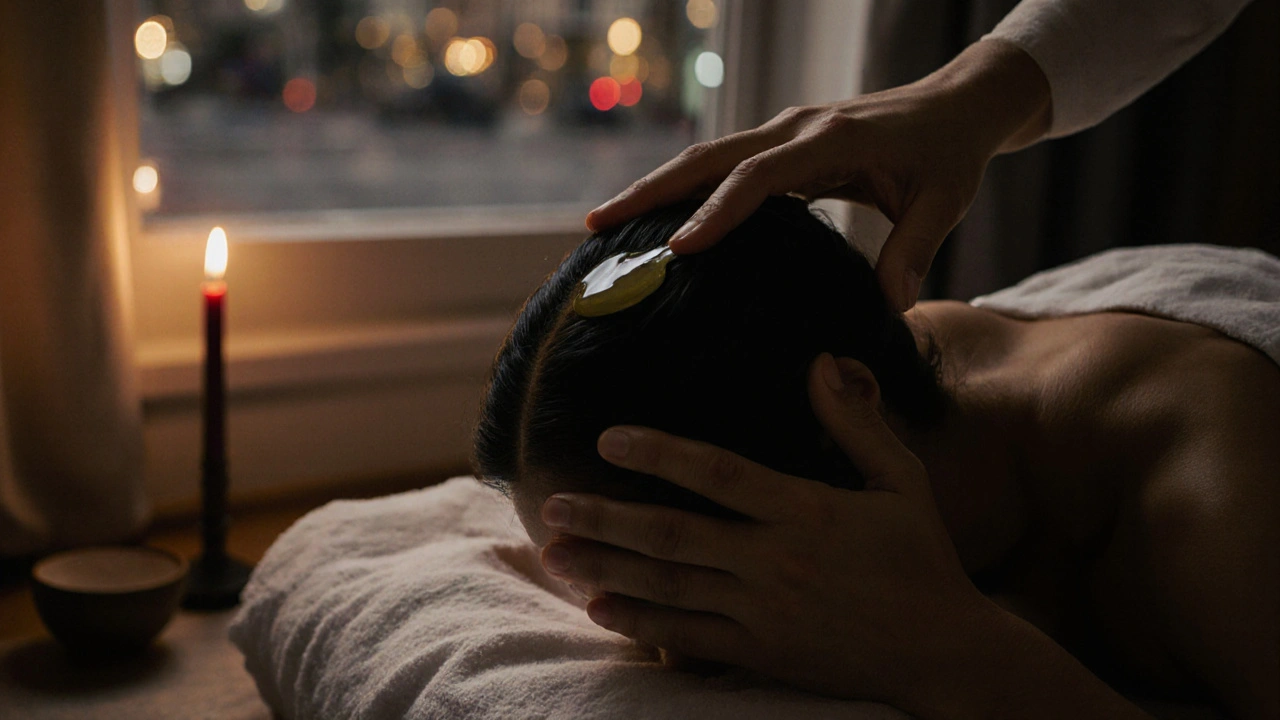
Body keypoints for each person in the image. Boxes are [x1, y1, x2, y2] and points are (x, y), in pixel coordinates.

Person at [474, 197, 1279, 718]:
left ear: (853, 411)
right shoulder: (861, 347)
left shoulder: (1214, 519)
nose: (669, 650)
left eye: (682, 581)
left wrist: (957, 656)